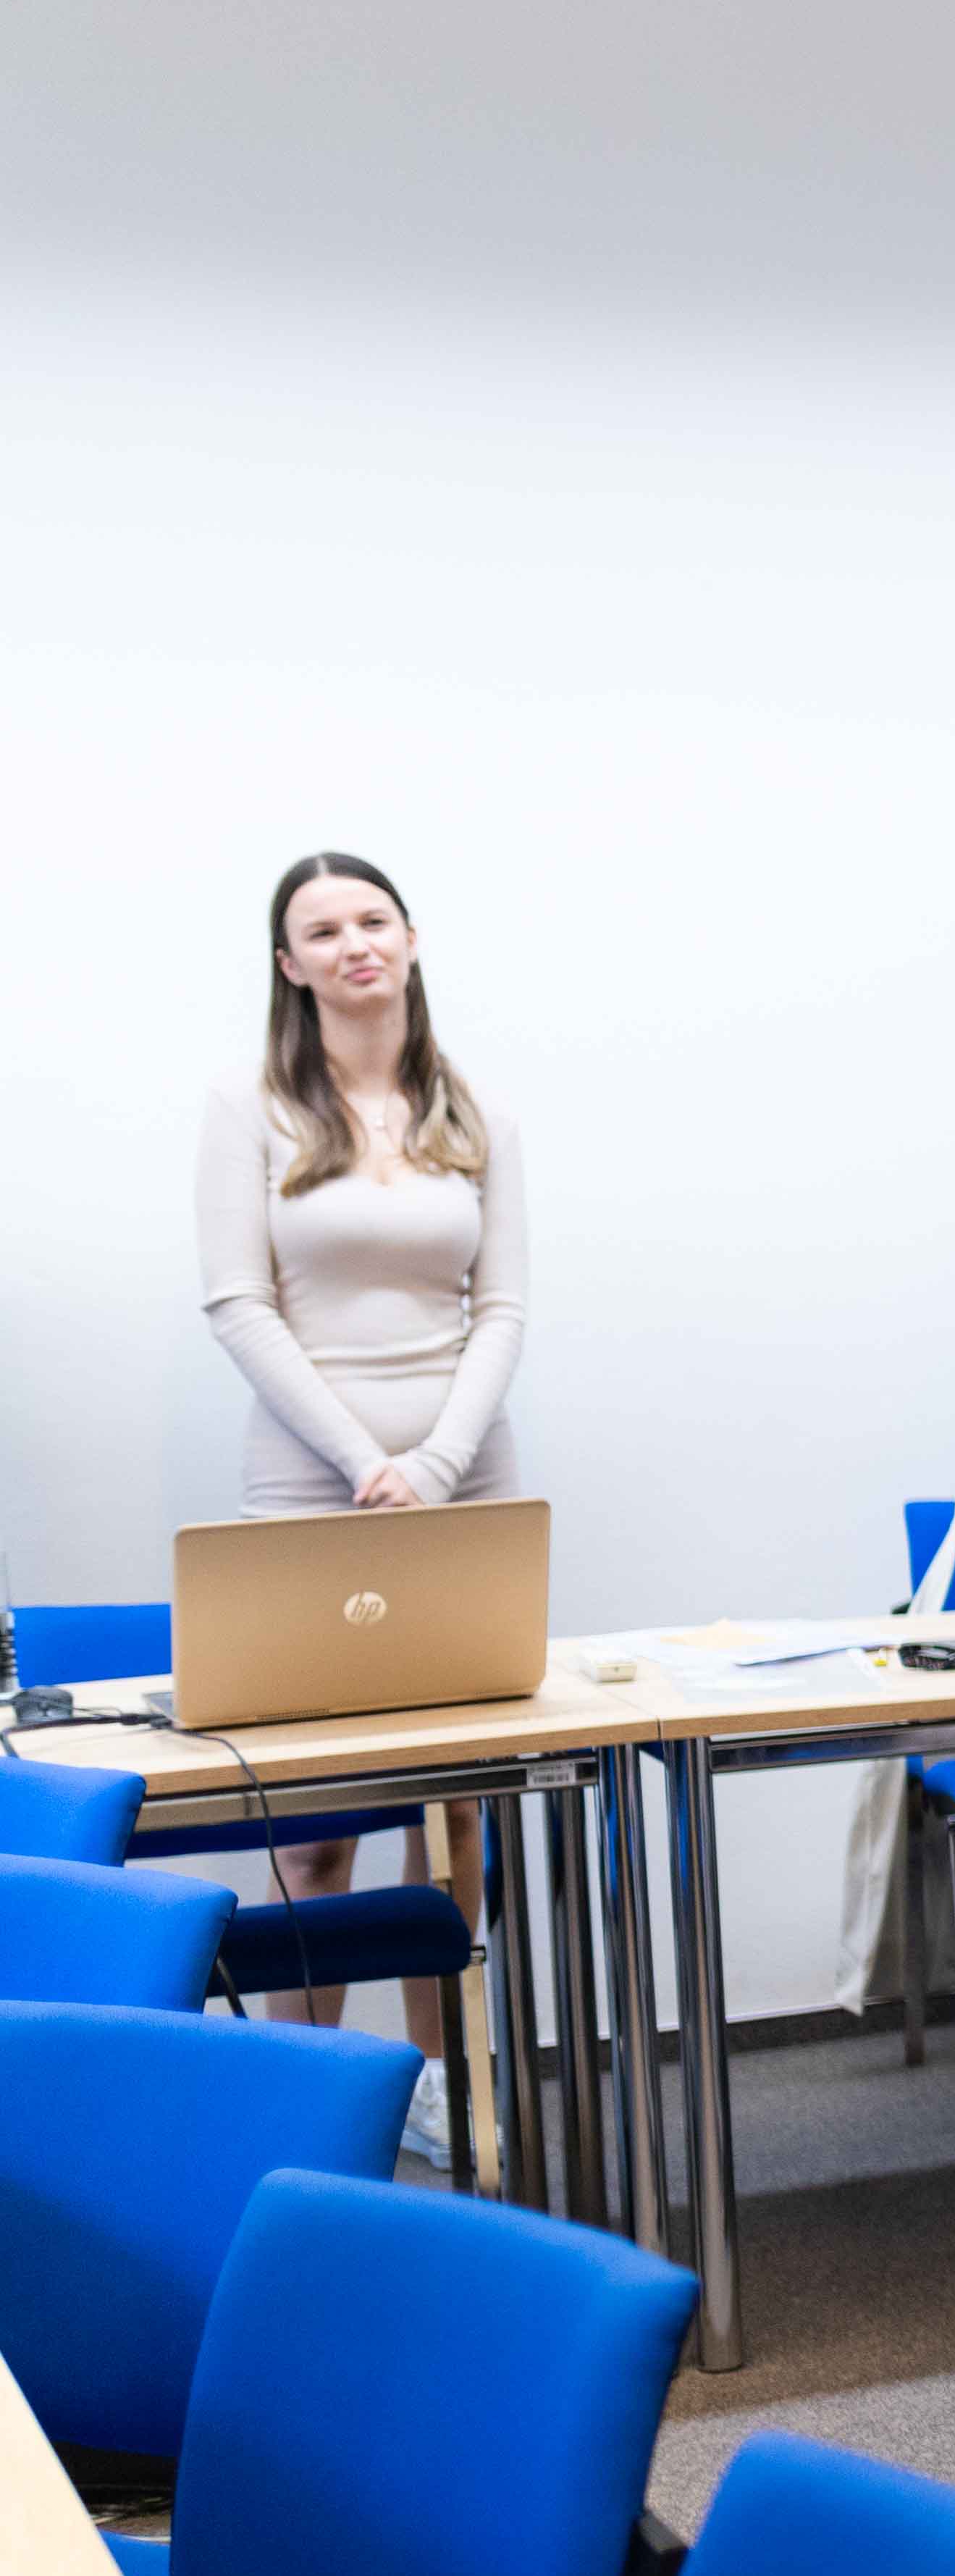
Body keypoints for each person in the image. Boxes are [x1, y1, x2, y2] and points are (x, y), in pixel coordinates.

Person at [198, 851, 528, 2139]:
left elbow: (502, 1307)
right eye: (323, 930)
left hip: (466, 1481)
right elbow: (238, 1301)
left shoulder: (475, 1109)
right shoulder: (250, 1106)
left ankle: (446, 2089)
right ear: (291, 965)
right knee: (314, 1831)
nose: (354, 944)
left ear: (410, 938)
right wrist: (360, 1462)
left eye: (372, 919)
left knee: (457, 1823)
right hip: (305, 1486)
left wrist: (435, 1465)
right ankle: (317, 2104)